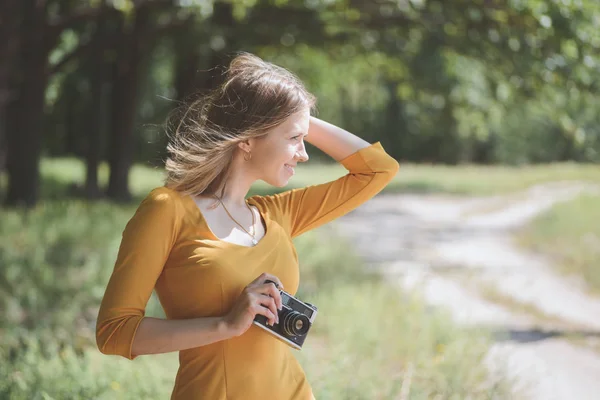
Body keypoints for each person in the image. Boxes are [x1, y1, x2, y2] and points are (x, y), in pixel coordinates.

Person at [95, 52, 400, 400]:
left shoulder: (278, 214)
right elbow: (114, 333)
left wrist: (295, 113)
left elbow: (378, 169)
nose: (304, 153)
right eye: (293, 139)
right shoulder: (167, 211)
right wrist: (226, 325)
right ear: (247, 139)